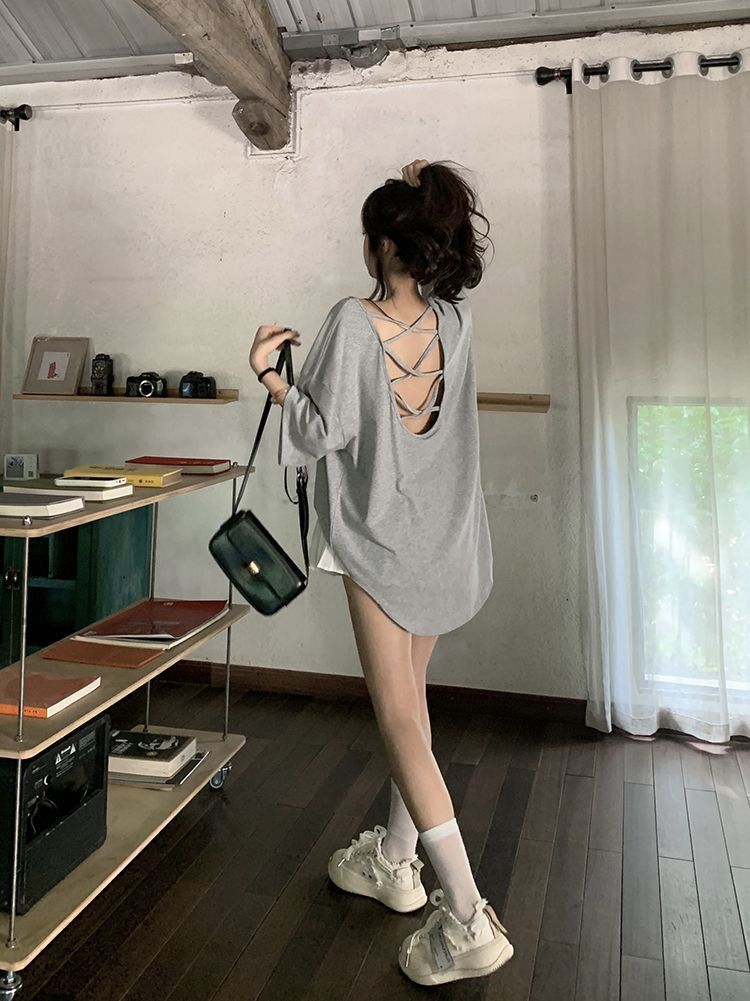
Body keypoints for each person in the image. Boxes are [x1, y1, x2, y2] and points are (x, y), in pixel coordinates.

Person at [248, 159, 512, 987]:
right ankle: (397, 859)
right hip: (445, 538)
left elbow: (318, 430)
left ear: (380, 247)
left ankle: (467, 916)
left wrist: (269, 374)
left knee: (398, 719)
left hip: (380, 542)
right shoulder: (455, 322)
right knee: (415, 703)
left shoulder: (352, 322)